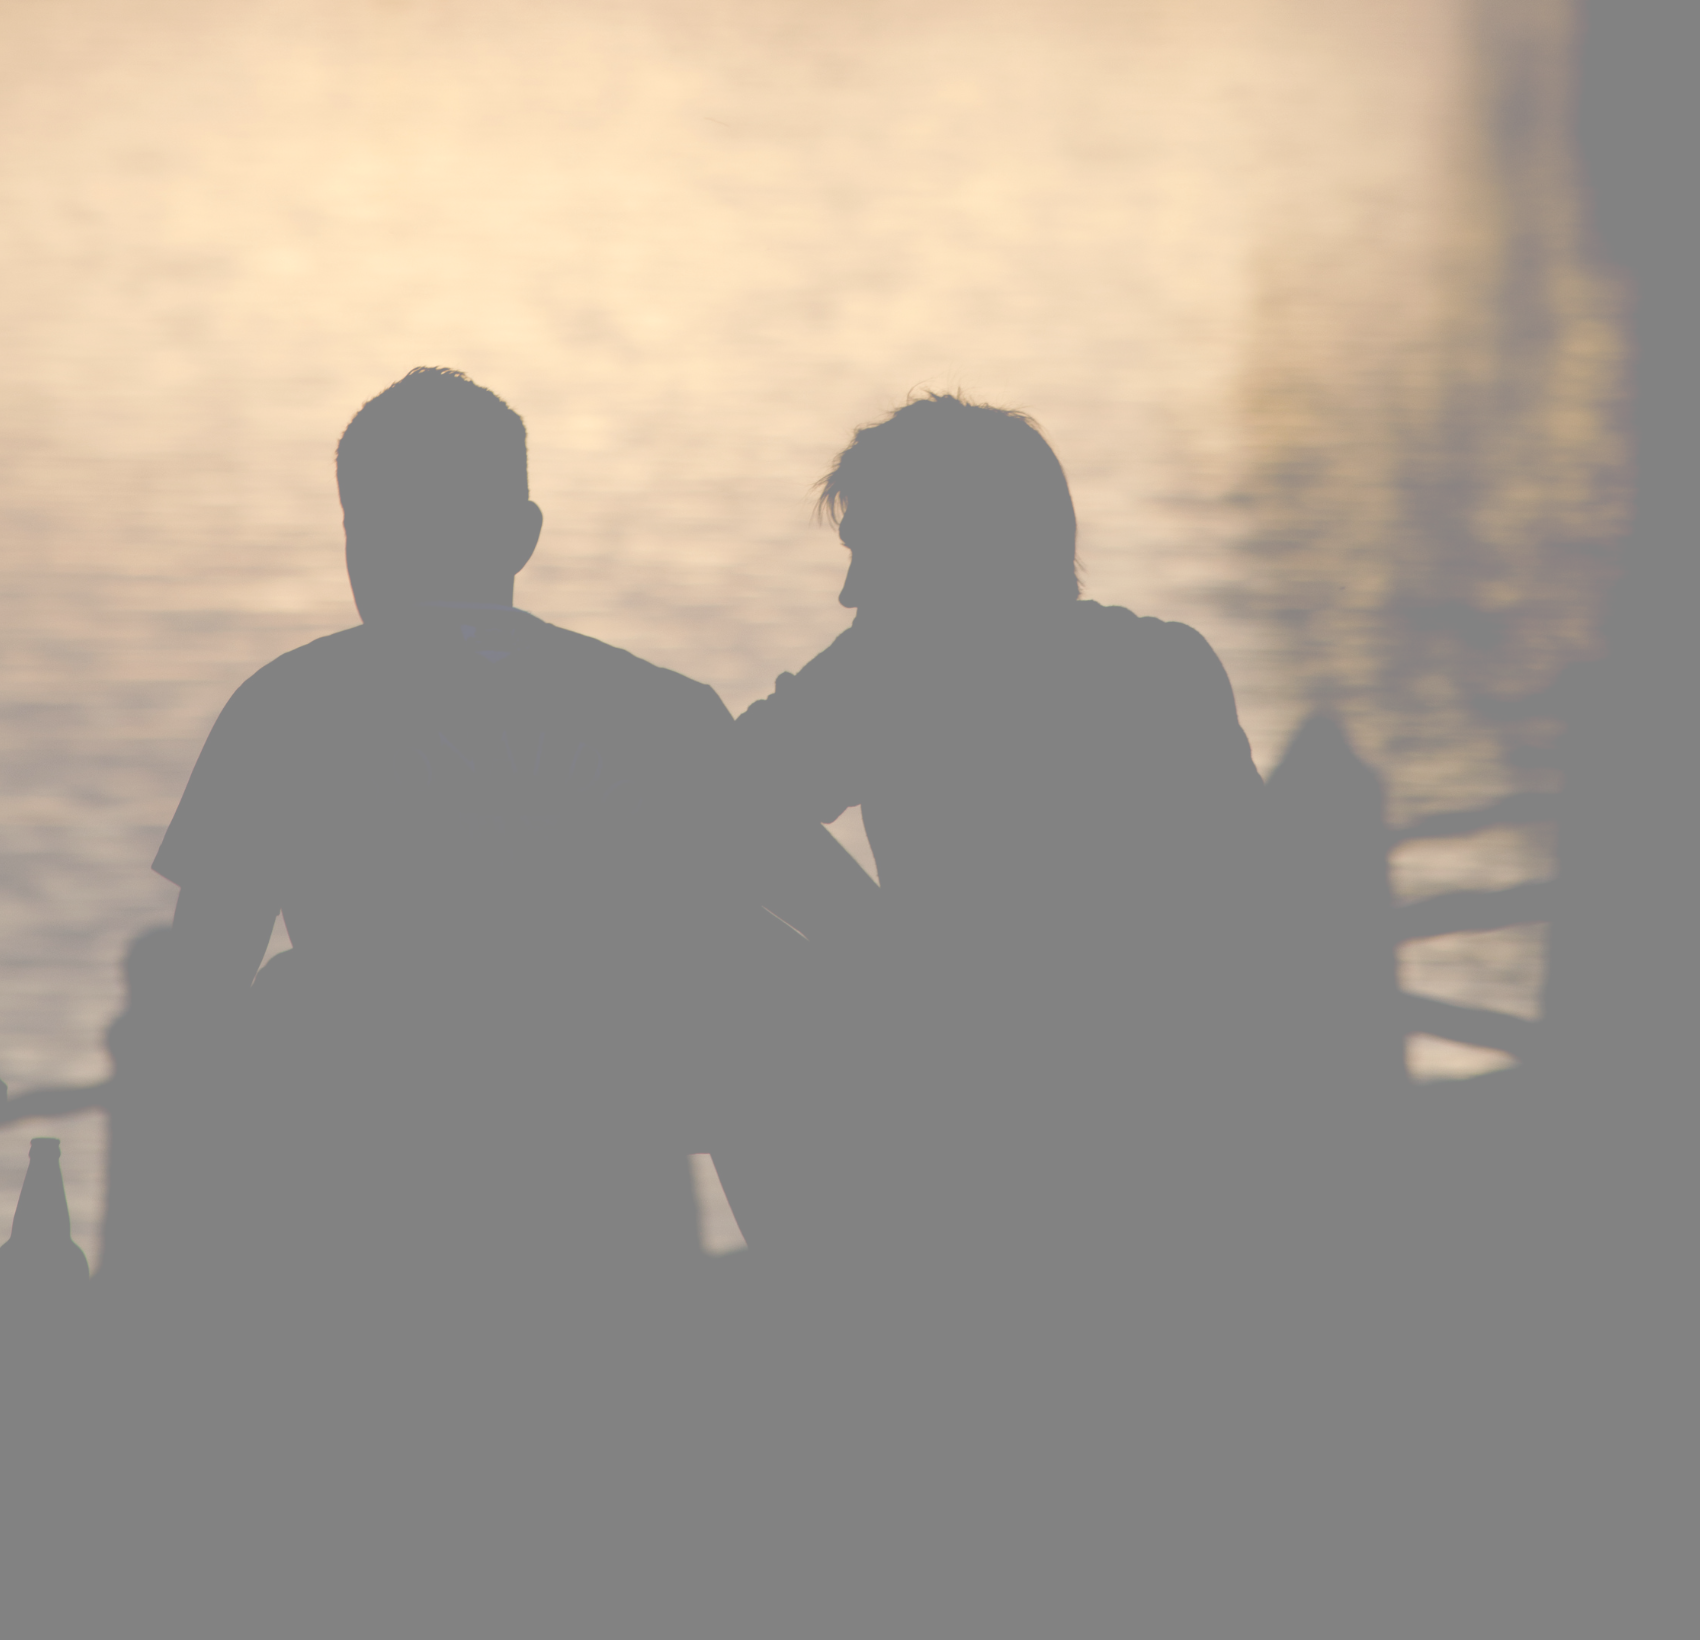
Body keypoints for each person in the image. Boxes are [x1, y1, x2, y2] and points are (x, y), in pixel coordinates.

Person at [96, 367, 872, 1639]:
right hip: (609, 1191)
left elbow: (191, 1002)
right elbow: (853, 938)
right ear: (520, 537)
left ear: (354, 536)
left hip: (362, 1202)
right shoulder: (661, 707)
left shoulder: (285, 702)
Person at [731, 392, 1286, 1635]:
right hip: (1170, 1149)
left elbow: (716, 806)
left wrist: (875, 950)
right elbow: (1255, 920)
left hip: (981, 1144)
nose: (848, 593)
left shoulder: (893, 674)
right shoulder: (1164, 666)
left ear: (948, 552)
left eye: (870, 553)